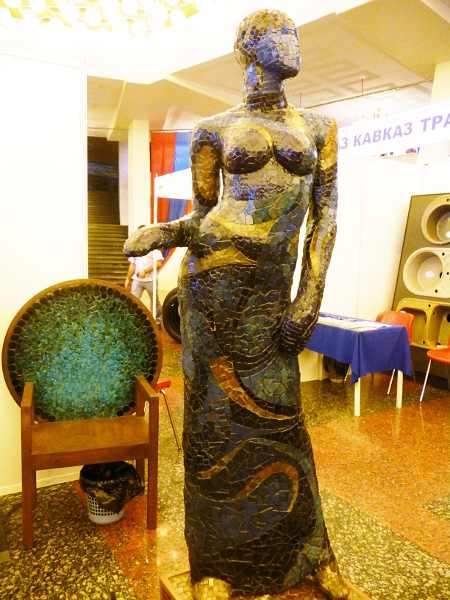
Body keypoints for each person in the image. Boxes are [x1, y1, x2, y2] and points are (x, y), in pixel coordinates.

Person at [124, 9, 356, 600]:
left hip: (273, 297)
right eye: (279, 33)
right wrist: (166, 233)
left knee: (285, 421)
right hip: (213, 291)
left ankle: (310, 554)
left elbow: (326, 216)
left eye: (293, 32)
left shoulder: (320, 127)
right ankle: (214, 567)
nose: (292, 41)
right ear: (249, 48)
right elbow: (206, 217)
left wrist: (310, 295)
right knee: (211, 426)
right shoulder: (213, 129)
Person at [124, 225, 163, 327]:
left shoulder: (154, 249)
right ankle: (133, 321)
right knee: (134, 301)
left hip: (151, 280)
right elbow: (132, 265)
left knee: (155, 302)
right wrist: (127, 279)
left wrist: (145, 271)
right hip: (137, 280)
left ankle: (157, 322)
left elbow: (158, 263)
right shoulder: (135, 249)